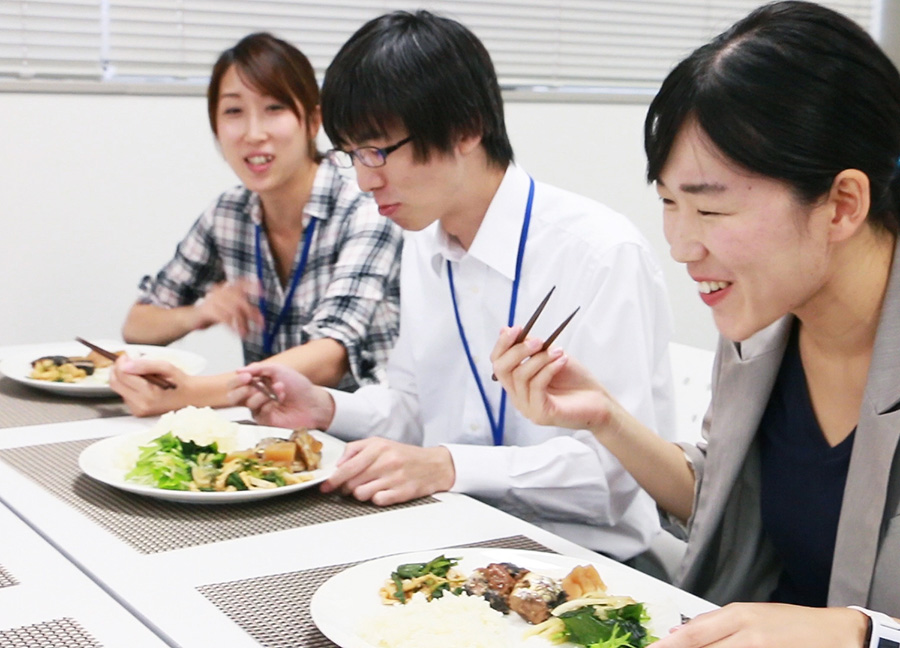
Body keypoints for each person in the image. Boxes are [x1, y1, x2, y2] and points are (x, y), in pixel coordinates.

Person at [491, 1, 900, 645]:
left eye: (710, 212)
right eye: (668, 203)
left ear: (842, 204)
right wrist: (604, 417)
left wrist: (862, 634)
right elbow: (727, 499)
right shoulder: (761, 331)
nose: (681, 245)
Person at [228, 10, 675, 565]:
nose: (365, 179)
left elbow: (615, 478)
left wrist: (448, 465)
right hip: (453, 540)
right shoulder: (424, 242)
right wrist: (324, 407)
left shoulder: (598, 253)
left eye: (378, 150)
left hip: (585, 564)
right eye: (351, 154)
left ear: (466, 128)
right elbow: (413, 406)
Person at [112, 32, 402, 417]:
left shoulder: (363, 208)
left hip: (367, 434)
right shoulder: (229, 213)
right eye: (233, 112)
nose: (253, 133)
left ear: (313, 120)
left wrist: (189, 393)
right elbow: (138, 325)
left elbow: (332, 355)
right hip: (271, 433)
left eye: (274, 108)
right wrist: (200, 313)